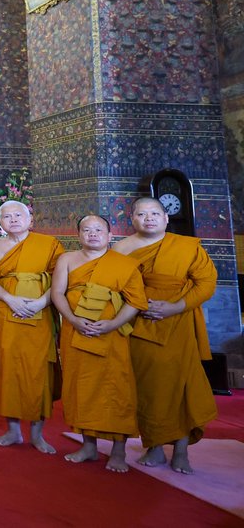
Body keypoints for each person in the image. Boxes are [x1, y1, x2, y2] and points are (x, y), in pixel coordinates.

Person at [113, 197, 218, 474]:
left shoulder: (184, 247)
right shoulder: (121, 249)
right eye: (141, 214)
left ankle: (181, 449)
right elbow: (112, 285)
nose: (148, 218)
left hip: (178, 323)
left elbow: (206, 283)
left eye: (155, 213)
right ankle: (155, 446)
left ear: (166, 218)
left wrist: (175, 307)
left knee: (179, 384)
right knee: (148, 387)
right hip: (138, 325)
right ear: (131, 219)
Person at [52, 215, 147, 473]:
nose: (92, 234)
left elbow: (136, 301)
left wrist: (112, 324)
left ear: (109, 235)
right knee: (81, 388)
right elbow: (57, 293)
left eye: (98, 230)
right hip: (76, 333)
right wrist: (72, 320)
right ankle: (88, 445)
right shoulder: (67, 260)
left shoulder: (125, 264)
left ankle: (118, 451)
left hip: (111, 335)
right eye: (86, 230)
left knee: (117, 388)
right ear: (78, 235)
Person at [0, 200, 63, 453]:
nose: (14, 220)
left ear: (30, 218)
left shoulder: (49, 245)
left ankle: (37, 434)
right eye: (7, 217)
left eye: (19, 215)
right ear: (1, 222)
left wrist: (42, 302)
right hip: (7, 312)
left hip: (39, 314)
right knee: (8, 368)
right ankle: (13, 431)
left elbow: (61, 278)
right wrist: (11, 300)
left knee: (37, 369)